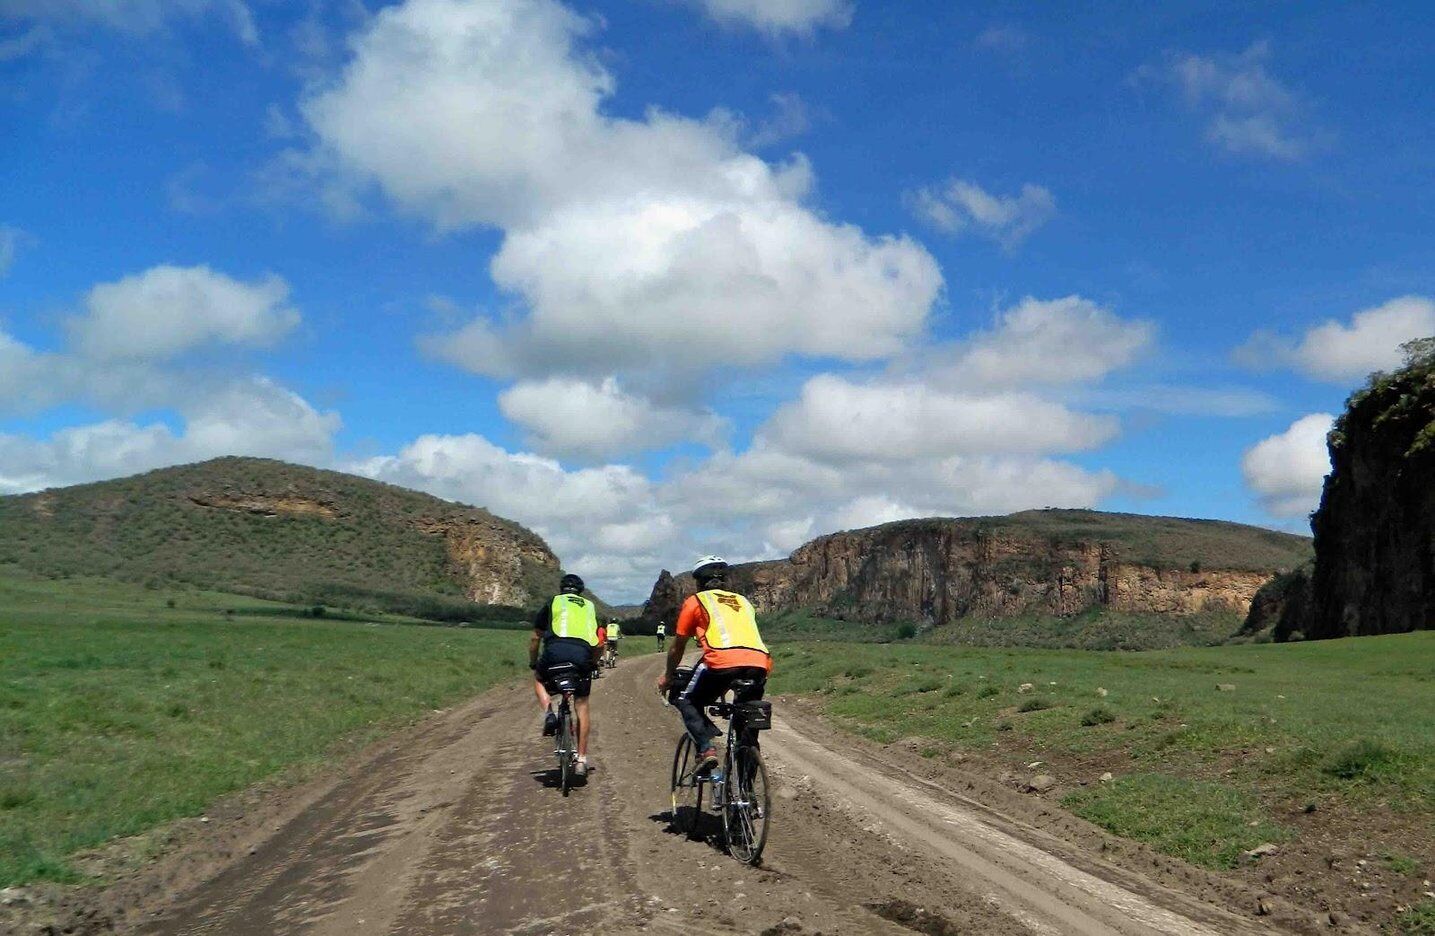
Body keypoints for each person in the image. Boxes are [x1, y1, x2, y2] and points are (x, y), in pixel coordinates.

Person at [657, 556, 771, 774]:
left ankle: (706, 749)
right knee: (746, 724)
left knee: (685, 698)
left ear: (699, 583)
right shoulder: (743, 602)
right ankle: (747, 796)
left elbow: (677, 646)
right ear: (725, 581)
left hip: (721, 661)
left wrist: (668, 676)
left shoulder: (696, 601)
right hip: (759, 662)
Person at [531, 573, 602, 776]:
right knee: (582, 705)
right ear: (580, 591)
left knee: (538, 678)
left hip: (554, 652)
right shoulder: (589, 607)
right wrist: (592, 663)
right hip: (581, 656)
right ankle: (581, 759)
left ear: (561, 589)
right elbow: (599, 643)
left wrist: (533, 662)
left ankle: (549, 713)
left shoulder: (553, 602)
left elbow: (535, 637)